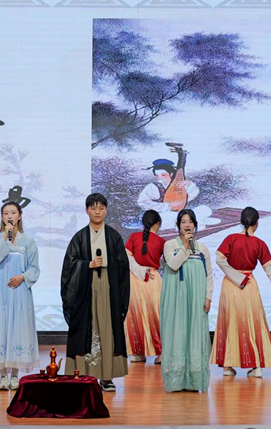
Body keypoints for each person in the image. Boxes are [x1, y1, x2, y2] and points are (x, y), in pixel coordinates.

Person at [210, 207, 271, 378]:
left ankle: (228, 366)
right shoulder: (259, 243)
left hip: (231, 285)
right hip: (248, 284)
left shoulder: (231, 238)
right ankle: (256, 367)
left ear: (241, 221)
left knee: (230, 322)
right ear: (257, 223)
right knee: (252, 323)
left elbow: (219, 260)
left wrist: (235, 276)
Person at [61, 193, 130, 392]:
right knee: (86, 328)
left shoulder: (114, 236)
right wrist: (87, 265)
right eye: (93, 208)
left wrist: (120, 295)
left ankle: (106, 377)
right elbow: (69, 265)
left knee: (107, 328)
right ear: (87, 210)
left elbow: (123, 267)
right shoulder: (79, 237)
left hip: (108, 287)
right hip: (85, 288)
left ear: (106, 210)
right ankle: (83, 374)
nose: (97, 212)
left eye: (101, 208)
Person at [0, 201, 40, 391]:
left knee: (18, 330)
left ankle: (15, 375)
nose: (9, 216)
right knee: (0, 328)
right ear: (2, 217)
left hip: (20, 293)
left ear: (19, 216)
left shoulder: (28, 241)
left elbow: (34, 268)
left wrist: (23, 277)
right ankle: (2, 376)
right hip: (0, 293)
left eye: (13, 212)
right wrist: (5, 239)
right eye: (6, 213)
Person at [160, 209, 213, 392]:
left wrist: (208, 296)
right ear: (178, 225)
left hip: (196, 297)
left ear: (195, 225)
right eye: (183, 222)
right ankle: (176, 379)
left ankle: (194, 380)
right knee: (177, 331)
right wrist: (184, 246)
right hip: (176, 298)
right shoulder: (169, 245)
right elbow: (173, 265)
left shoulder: (202, 248)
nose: (187, 225)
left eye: (190, 221)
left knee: (195, 332)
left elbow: (209, 275)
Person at [124, 210, 164, 364]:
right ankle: (160, 352)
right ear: (158, 223)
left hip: (134, 279)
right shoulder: (161, 241)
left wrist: (138, 270)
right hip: (152, 279)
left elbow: (126, 257)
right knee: (156, 315)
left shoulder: (134, 237)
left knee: (135, 315)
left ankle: (137, 352)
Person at [136, 158, 216, 230]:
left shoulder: (178, 184)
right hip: (163, 215)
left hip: (179, 213)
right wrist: (167, 206)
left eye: (163, 175)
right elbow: (142, 202)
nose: (160, 178)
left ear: (170, 174)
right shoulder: (152, 187)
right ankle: (196, 221)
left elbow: (191, 196)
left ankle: (190, 222)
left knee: (205, 209)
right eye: (157, 175)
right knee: (170, 217)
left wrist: (189, 185)